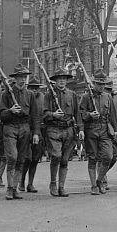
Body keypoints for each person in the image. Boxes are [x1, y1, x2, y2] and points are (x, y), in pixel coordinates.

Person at [0, 64, 40, 200]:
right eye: (20, 77)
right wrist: (10, 111)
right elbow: (1, 115)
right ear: (14, 79)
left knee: (22, 159)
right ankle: (9, 189)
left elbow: (34, 115)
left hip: (25, 128)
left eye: (24, 77)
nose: (23, 80)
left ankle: (15, 188)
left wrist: (35, 133)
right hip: (10, 127)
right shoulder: (6, 94)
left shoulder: (30, 95)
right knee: (12, 158)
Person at [80, 69, 117, 195]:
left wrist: (116, 130)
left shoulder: (108, 97)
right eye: (99, 84)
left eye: (103, 84)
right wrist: (90, 115)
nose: (101, 87)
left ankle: (99, 180)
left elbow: (113, 115)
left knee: (108, 156)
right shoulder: (86, 97)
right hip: (91, 130)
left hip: (104, 130)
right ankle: (94, 186)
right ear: (94, 84)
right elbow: (81, 114)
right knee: (92, 158)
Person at [44, 68, 80, 197]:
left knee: (65, 160)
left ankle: (61, 186)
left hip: (68, 130)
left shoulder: (72, 94)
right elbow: (44, 113)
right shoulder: (49, 95)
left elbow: (77, 114)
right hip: (54, 129)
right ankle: (53, 183)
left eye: (64, 79)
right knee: (56, 156)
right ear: (55, 81)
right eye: (59, 79)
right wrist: (53, 114)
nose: (62, 81)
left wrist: (80, 129)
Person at [18, 73, 45, 192]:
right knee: (27, 158)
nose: (34, 90)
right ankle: (21, 181)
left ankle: (30, 183)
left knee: (35, 159)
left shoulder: (43, 98)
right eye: (32, 87)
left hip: (39, 131)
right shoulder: (26, 96)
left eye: (36, 88)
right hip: (26, 129)